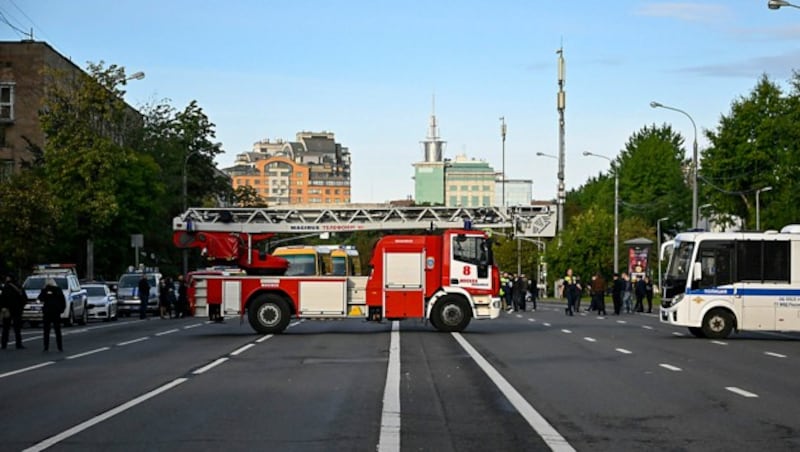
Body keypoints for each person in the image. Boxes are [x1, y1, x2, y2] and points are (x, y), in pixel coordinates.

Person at [39, 278, 66, 352]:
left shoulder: (45, 290)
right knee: (57, 330)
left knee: (46, 331)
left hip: (47, 312)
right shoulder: (58, 289)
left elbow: (40, 298)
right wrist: (61, 309)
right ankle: (60, 347)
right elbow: (63, 300)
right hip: (56, 312)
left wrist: (43, 290)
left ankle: (46, 347)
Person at [1, 275, 26, 349]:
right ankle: (18, 344)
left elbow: (2, 298)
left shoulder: (6, 287)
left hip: (7, 309)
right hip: (17, 309)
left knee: (6, 328)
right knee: (17, 328)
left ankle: (4, 344)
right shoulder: (18, 287)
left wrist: (3, 307)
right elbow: (24, 298)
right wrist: (21, 307)